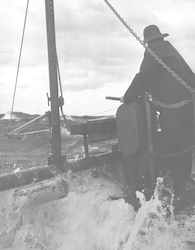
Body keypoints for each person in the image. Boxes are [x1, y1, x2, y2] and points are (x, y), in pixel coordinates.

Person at [123, 24, 195, 193]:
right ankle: (181, 181)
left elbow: (143, 77)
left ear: (147, 42)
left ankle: (175, 186)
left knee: (174, 142)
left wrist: (128, 97)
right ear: (161, 37)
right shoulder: (170, 50)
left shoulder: (154, 51)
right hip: (189, 105)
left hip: (175, 108)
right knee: (185, 142)